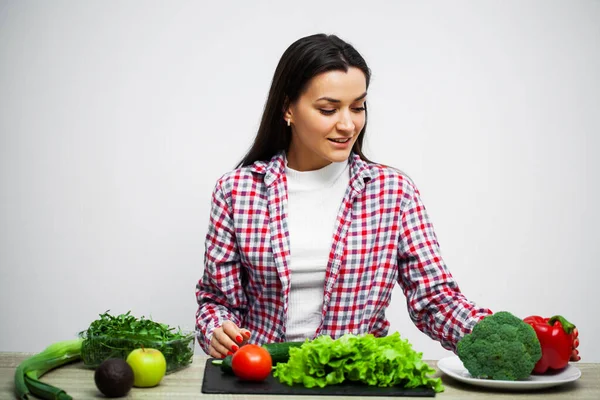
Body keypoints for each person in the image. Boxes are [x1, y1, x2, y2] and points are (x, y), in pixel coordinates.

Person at [194, 33, 580, 361]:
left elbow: (435, 300)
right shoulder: (237, 191)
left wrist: (521, 339)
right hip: (261, 377)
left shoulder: (392, 192)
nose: (348, 124)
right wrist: (216, 329)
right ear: (288, 109)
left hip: (359, 382)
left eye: (358, 107)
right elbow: (216, 301)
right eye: (328, 109)